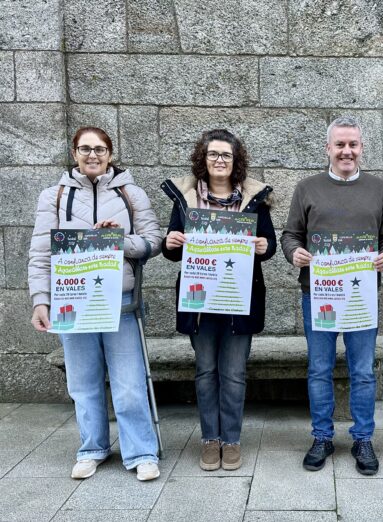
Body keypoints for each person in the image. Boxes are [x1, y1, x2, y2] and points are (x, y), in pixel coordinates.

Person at [28, 127, 162, 481]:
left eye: (100, 149)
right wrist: (41, 301)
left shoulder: (131, 194)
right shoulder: (54, 197)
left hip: (119, 301)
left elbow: (153, 243)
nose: (93, 155)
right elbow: (41, 254)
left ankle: (142, 451)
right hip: (71, 299)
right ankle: (92, 448)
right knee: (83, 381)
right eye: (85, 148)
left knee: (130, 380)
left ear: (110, 153)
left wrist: (118, 239)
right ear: (74, 153)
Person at [280, 116, 383, 475]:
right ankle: (322, 436)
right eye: (340, 145)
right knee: (319, 368)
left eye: (353, 144)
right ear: (328, 149)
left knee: (362, 371)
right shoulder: (307, 188)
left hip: (362, 294)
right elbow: (290, 235)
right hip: (318, 294)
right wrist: (294, 253)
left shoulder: (380, 189)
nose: (346, 151)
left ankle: (363, 438)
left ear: (362, 148)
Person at [161, 129, 276, 472]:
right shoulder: (185, 199)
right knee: (206, 371)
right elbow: (172, 251)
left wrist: (262, 246)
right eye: (213, 154)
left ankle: (232, 440)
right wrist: (171, 243)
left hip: (239, 298)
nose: (220, 161)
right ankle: (210, 439)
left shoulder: (255, 199)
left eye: (226, 155)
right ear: (203, 159)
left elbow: (267, 245)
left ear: (236, 161)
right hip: (201, 302)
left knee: (235, 373)